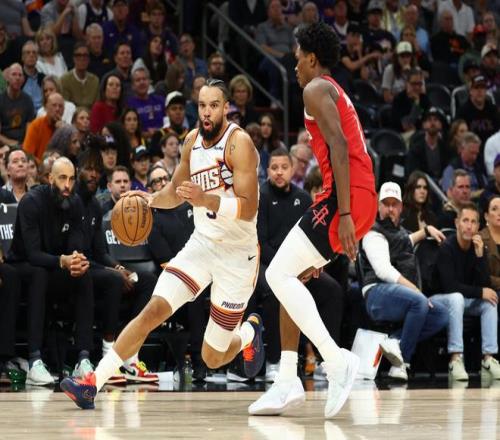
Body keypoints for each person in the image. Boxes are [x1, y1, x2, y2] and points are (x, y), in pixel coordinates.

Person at [61, 79, 265, 410]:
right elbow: (175, 191)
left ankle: (249, 334)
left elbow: (250, 207)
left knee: (212, 357)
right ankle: (93, 384)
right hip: (202, 245)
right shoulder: (191, 142)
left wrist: (206, 199)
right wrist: (152, 199)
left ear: (226, 108)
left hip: (237, 255)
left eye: (214, 105)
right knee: (152, 310)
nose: (207, 112)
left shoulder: (238, 143)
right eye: (202, 105)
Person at [249, 22, 377, 418]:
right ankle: (287, 380)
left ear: (312, 58)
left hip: (346, 197)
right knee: (291, 280)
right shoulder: (331, 89)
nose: (294, 64)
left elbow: (339, 144)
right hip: (350, 194)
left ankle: (336, 362)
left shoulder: (316, 87)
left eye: (298, 57)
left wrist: (344, 213)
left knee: (277, 275)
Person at [254, 147, 344, 382]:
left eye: (284, 167)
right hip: (268, 264)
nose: (279, 172)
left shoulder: (304, 198)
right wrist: (288, 268)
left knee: (333, 291)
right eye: (274, 168)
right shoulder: (261, 197)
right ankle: (275, 361)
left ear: (293, 169)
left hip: (301, 264)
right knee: (276, 289)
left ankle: (327, 360)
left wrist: (306, 266)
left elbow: (315, 237)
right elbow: (260, 242)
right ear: (267, 171)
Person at [7, 157, 95, 385]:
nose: (68, 185)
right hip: (22, 265)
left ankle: (83, 358)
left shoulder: (75, 202)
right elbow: (33, 254)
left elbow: (77, 243)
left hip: (55, 264)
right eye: (62, 178)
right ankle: (35, 361)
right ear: (49, 178)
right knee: (39, 273)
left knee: (83, 274)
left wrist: (76, 260)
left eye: (72, 179)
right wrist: (63, 261)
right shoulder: (31, 202)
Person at [76, 146, 158, 384]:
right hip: (81, 271)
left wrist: (119, 267)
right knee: (113, 280)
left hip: (102, 267)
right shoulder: (78, 204)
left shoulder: (94, 206)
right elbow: (80, 254)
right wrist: (113, 271)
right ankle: (108, 356)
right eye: (89, 169)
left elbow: (101, 252)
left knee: (147, 280)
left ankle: (130, 352)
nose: (93, 174)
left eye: (96, 170)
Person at [360, 182, 448, 380]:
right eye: (386, 204)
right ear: (378, 206)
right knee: (419, 302)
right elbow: (383, 270)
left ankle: (393, 342)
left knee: (441, 314)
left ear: (401, 207)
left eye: (394, 204)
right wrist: (415, 289)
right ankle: (402, 362)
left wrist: (427, 230)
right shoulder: (373, 233)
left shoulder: (398, 232)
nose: (390, 209)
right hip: (376, 294)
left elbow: (406, 241)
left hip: (398, 296)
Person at [432, 202, 500, 381]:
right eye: (465, 220)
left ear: (478, 227)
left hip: (463, 301)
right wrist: (479, 292)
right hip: (438, 300)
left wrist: (480, 256)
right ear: (457, 223)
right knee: (457, 298)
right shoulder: (447, 247)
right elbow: (450, 286)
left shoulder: (478, 248)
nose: (469, 226)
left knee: (490, 301)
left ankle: (488, 359)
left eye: (473, 222)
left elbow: (485, 285)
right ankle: (455, 358)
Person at [0, 63, 35, 147]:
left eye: (20, 75)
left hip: (24, 144)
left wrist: (25, 145)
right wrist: (12, 143)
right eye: (14, 74)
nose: (17, 78)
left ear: (23, 79)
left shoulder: (28, 100)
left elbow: (30, 130)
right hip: (4, 145)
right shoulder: (1, 100)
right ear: (7, 78)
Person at [23, 92, 65, 161]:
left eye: (60, 106)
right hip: (39, 165)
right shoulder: (36, 126)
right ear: (46, 107)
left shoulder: (65, 130)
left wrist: (61, 132)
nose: (57, 109)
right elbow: (28, 155)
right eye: (54, 105)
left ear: (63, 110)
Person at [60, 42, 99, 110]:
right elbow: (65, 106)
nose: (82, 58)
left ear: (89, 59)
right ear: (73, 58)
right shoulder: (64, 80)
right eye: (78, 55)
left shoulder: (95, 81)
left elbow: (97, 106)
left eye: (85, 55)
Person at [480, 195, 500, 291]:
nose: (499, 213)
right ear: (486, 216)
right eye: (494, 209)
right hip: (489, 291)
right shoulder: (479, 238)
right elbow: (480, 275)